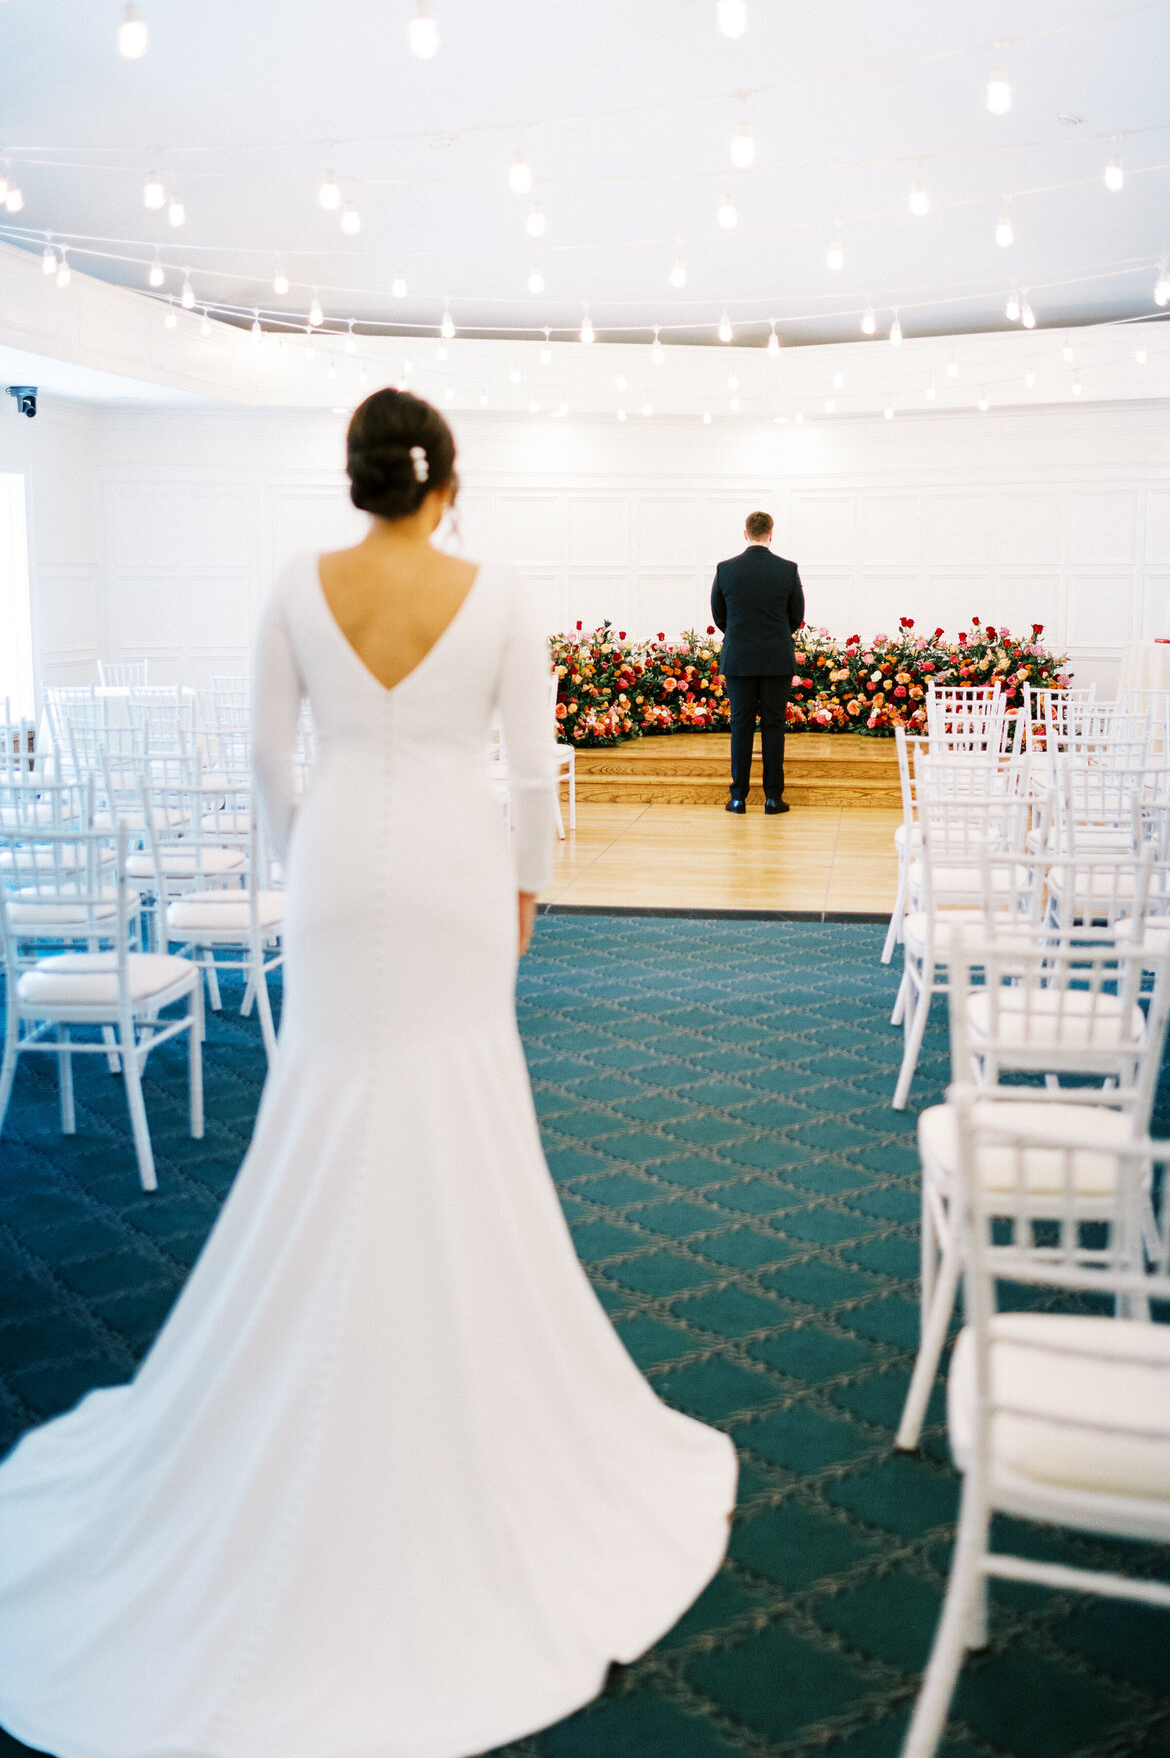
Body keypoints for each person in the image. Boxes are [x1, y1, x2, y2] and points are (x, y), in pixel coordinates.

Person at [0, 390, 737, 1758]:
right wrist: (526, 892)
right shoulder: (500, 590)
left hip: (336, 871)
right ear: (446, 479)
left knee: (330, 1112)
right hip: (457, 878)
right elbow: (530, 778)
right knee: (460, 1109)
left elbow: (272, 761)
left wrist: (307, 858)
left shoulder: (297, 583)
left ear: (358, 480)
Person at [711, 511, 805, 814]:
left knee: (740, 726)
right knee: (774, 726)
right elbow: (796, 616)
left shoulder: (725, 569)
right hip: (777, 658)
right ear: (771, 533)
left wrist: (740, 634)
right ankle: (773, 798)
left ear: (745, 533)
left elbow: (719, 615)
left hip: (739, 658)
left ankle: (738, 798)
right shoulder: (787, 569)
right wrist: (777, 635)